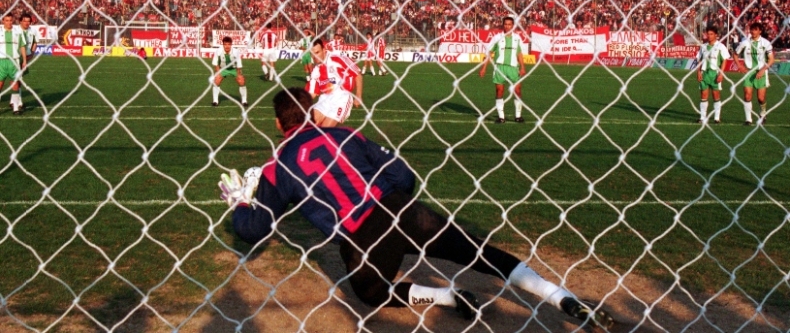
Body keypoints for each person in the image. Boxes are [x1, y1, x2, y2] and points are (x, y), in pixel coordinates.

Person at [219, 87, 616, 330]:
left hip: (360, 239)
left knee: (371, 290)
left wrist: (241, 203)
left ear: (278, 123)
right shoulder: (346, 134)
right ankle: (560, 296)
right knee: (476, 251)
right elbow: (404, 176)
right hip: (400, 211)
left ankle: (447, 297)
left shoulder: (281, 162)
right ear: (312, 108)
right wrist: (390, 200)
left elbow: (254, 230)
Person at [478, 16, 526, 123]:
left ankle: (518, 116)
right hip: (500, 68)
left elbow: (519, 53)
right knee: (500, 91)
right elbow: (489, 53)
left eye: (509, 24)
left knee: (517, 91)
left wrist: (522, 67)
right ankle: (501, 117)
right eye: (505, 24)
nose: (507, 26)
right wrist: (483, 68)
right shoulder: (497, 38)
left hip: (514, 68)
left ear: (513, 26)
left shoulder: (517, 38)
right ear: (503, 25)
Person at [307, 38, 362, 127]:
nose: (315, 57)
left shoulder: (337, 59)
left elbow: (357, 74)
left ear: (324, 50)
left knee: (324, 131)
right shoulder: (316, 70)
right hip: (324, 99)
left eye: (317, 53)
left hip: (341, 99)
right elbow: (312, 93)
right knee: (308, 123)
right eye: (313, 54)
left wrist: (358, 96)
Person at [732, 22, 775, 125]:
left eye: (755, 29)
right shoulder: (745, 42)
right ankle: (748, 119)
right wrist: (740, 66)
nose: (753, 32)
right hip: (748, 72)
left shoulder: (766, 43)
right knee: (747, 96)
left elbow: (771, 59)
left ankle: (763, 113)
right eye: (751, 29)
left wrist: (763, 70)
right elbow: (735, 54)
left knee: (761, 98)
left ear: (760, 31)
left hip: (761, 72)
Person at [695, 25, 730, 124]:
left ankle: (716, 118)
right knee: (703, 95)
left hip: (715, 73)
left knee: (716, 95)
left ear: (716, 35)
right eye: (708, 34)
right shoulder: (704, 47)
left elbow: (724, 60)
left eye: (711, 34)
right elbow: (699, 60)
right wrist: (698, 72)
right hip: (704, 73)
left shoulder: (720, 46)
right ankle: (702, 118)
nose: (709, 36)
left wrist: (721, 74)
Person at [1, 14, 27, 115]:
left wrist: (24, 60)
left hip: (14, 61)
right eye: (6, 20)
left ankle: (16, 108)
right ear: (3, 21)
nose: (8, 22)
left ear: (13, 21)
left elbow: (22, 46)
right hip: (1, 61)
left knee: (15, 85)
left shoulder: (18, 32)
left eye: (10, 20)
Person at [211, 36, 248, 107]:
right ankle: (215, 101)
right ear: (223, 45)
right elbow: (215, 64)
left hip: (233, 68)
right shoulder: (218, 51)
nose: (227, 46)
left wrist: (239, 74)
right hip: (223, 68)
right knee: (217, 80)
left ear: (231, 44)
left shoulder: (236, 52)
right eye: (225, 44)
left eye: (228, 44)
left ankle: (244, 101)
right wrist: (218, 73)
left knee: (241, 80)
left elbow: (239, 64)